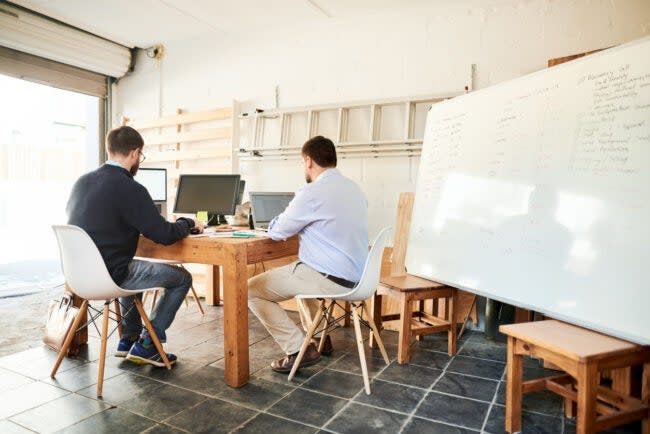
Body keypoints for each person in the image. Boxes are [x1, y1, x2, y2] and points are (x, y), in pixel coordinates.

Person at [66, 126, 205, 367]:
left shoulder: (81, 181)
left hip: (78, 277)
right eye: (140, 156)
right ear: (135, 153)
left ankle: (128, 339)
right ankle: (149, 344)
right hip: (112, 275)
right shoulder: (130, 187)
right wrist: (188, 222)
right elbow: (164, 234)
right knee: (182, 278)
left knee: (132, 266)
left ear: (110, 150)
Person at [248, 135, 369, 373]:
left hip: (329, 279)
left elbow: (278, 230)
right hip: (358, 279)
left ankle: (297, 350)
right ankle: (322, 338)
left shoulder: (312, 191)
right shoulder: (355, 189)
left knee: (250, 290)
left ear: (308, 161)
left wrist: (274, 222)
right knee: (303, 270)